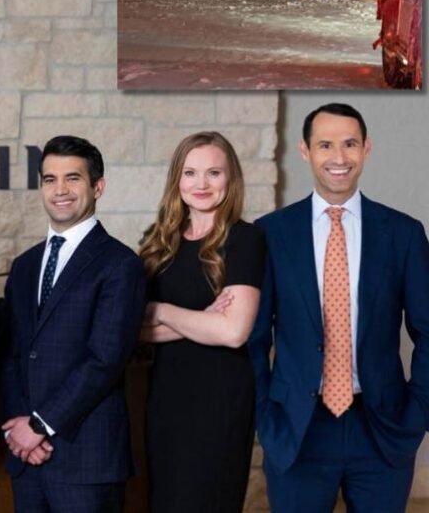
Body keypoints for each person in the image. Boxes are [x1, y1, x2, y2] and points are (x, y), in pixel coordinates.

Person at [249, 103, 429, 512]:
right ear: (305, 150)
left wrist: (418, 411)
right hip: (297, 429)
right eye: (325, 144)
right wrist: (264, 415)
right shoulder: (271, 233)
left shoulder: (403, 233)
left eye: (350, 143)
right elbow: (254, 338)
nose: (339, 157)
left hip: (382, 428)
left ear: (366, 148)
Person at [0, 135, 146, 513]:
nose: (60, 189)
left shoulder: (120, 264)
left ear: (98, 187)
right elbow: (11, 353)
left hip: (86, 459)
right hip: (27, 457)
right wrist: (18, 428)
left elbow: (104, 359)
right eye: (50, 179)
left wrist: (38, 426)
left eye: (73, 178)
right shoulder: (25, 265)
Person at [137, 132, 265, 513]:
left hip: (219, 401)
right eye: (190, 173)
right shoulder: (158, 242)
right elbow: (131, 329)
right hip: (164, 397)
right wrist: (203, 319)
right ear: (177, 179)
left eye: (214, 173)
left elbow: (233, 332)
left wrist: (161, 311)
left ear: (230, 178)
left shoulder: (245, 239)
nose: (201, 184)